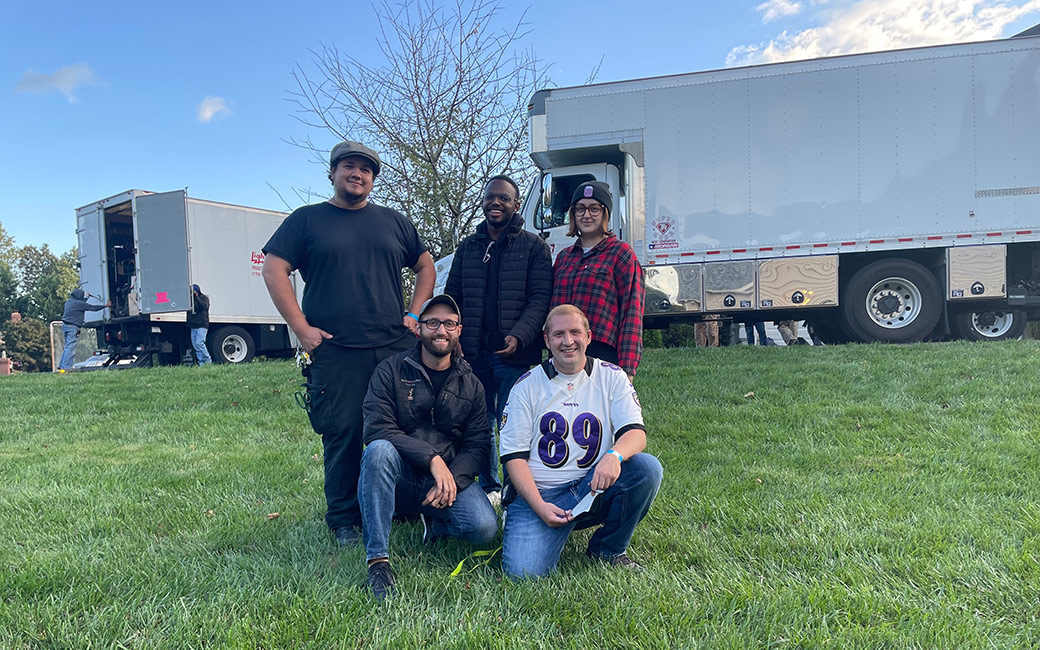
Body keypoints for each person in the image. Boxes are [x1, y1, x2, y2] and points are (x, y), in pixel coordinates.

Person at [262, 140, 436, 547]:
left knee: (403, 428)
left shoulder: (393, 222)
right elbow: (274, 268)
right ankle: (343, 519)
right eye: (349, 167)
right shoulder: (307, 220)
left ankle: (405, 506)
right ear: (333, 173)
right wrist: (302, 329)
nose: (357, 174)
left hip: (394, 348)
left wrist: (414, 314)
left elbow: (425, 264)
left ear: (373, 179)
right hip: (335, 350)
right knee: (342, 431)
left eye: (366, 169)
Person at [499, 304, 663, 579]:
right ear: (547, 340)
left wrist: (614, 456)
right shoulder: (526, 386)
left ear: (589, 336)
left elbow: (636, 434)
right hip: (542, 493)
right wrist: (539, 505)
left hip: (592, 485)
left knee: (646, 469)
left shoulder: (612, 376)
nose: (568, 341)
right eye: (559, 334)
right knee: (524, 573)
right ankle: (527, 523)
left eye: (575, 332)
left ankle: (608, 549)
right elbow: (513, 457)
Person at [359, 294, 498, 600]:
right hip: (401, 471)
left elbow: (478, 444)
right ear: (419, 329)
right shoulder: (391, 370)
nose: (441, 330)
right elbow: (377, 428)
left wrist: (453, 479)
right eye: (432, 323)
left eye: (449, 323)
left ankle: (435, 523)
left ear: (459, 330)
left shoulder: (471, 383)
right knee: (378, 451)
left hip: (447, 475)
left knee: (485, 528)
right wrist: (432, 459)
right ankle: (378, 562)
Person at [444, 174, 552, 503]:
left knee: (514, 423)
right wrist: (454, 335)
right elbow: (453, 295)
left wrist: (520, 336)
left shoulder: (534, 246)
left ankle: (515, 486)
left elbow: (540, 299)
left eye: (504, 198)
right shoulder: (468, 247)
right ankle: (489, 485)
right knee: (479, 422)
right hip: (473, 353)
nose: (496, 203)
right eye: (491, 197)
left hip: (514, 356)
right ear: (483, 202)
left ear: (516, 205)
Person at [551, 181, 644, 380]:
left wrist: (627, 368)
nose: (587, 215)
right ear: (573, 215)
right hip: (563, 355)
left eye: (594, 209)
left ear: (605, 214)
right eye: (580, 209)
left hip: (602, 354)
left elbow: (632, 312)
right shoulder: (564, 257)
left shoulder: (621, 254)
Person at [59, 288, 110, 371]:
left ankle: (61, 365)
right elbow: (92, 308)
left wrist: (86, 298)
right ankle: (65, 368)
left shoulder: (69, 302)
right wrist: (105, 306)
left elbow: (81, 303)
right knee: (70, 348)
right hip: (73, 327)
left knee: (67, 347)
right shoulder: (80, 304)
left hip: (65, 326)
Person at [187, 284, 212, 365]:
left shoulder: (204, 298)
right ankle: (201, 362)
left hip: (202, 324)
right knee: (195, 345)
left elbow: (203, 306)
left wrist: (196, 297)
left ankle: (207, 359)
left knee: (199, 342)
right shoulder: (189, 301)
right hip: (193, 325)